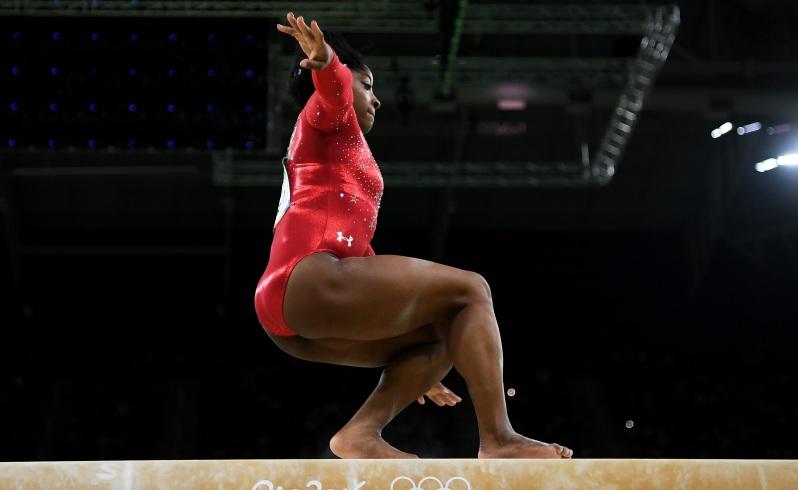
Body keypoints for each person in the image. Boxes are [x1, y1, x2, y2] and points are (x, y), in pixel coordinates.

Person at [254, 12, 573, 459]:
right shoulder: (325, 119)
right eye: (368, 85)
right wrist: (328, 62)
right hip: (308, 279)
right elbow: (334, 91)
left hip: (295, 315)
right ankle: (499, 439)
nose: (377, 100)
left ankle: (359, 434)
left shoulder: (334, 147)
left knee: (441, 334)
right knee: (472, 289)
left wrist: (419, 364)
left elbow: (360, 256)